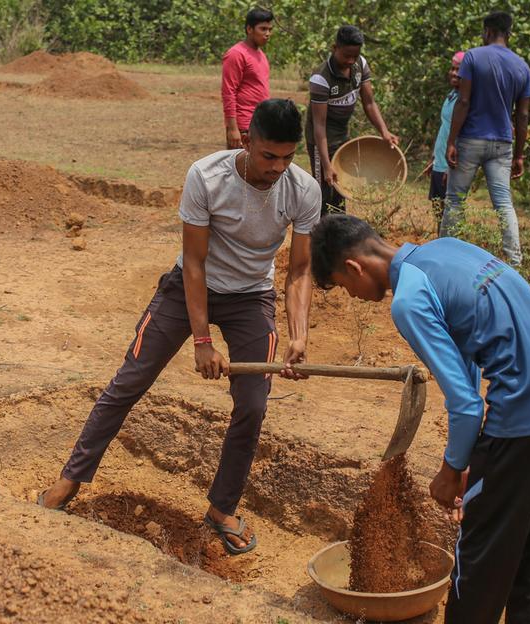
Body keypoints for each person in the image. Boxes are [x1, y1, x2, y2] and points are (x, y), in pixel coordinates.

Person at [38, 99, 321, 555]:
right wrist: (203, 340)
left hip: (252, 297)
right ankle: (71, 478)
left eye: (288, 157)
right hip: (190, 288)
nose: (278, 168)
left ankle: (222, 507)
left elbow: (300, 271)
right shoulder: (207, 176)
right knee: (130, 380)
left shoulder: (303, 190)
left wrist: (299, 336)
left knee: (253, 404)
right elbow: (194, 262)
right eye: (269, 156)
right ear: (247, 141)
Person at [309, 214, 530, 622]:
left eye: (343, 285)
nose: (352, 295)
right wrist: (471, 458)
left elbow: (465, 402)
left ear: (354, 266)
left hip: (525, 418)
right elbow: (470, 364)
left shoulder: (408, 300)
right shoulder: (447, 249)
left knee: (478, 563)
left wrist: (451, 470)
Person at [442, 11, 530, 266]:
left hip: (471, 138)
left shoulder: (473, 57)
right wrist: (520, 154)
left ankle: (444, 255)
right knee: (504, 203)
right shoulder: (522, 66)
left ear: (488, 31)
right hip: (503, 143)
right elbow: (522, 115)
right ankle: (515, 262)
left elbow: (464, 100)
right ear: (509, 33)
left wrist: (451, 141)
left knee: (456, 199)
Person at [305, 25, 398, 216]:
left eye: (354, 56)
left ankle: (339, 238)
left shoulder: (360, 66)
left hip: (342, 137)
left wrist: (384, 131)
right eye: (346, 55)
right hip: (320, 141)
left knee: (341, 189)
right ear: (334, 48)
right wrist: (326, 164)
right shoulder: (321, 78)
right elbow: (319, 126)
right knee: (323, 191)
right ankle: (319, 238)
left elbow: (369, 103)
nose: (350, 60)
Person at [423, 51, 464, 235]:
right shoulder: (451, 95)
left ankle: (450, 246)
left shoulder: (465, 100)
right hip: (439, 161)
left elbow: (462, 134)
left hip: (450, 162)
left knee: (450, 210)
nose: (454, 73)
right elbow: (444, 128)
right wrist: (434, 158)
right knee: (438, 208)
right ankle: (441, 242)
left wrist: (452, 166)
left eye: (459, 70)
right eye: (453, 69)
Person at [221, 8, 273, 149]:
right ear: (249, 29)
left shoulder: (260, 54)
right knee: (240, 169)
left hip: (260, 124)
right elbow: (228, 92)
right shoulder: (236, 54)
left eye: (270, 29)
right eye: (263, 29)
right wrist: (233, 129)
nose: (267, 34)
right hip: (243, 126)